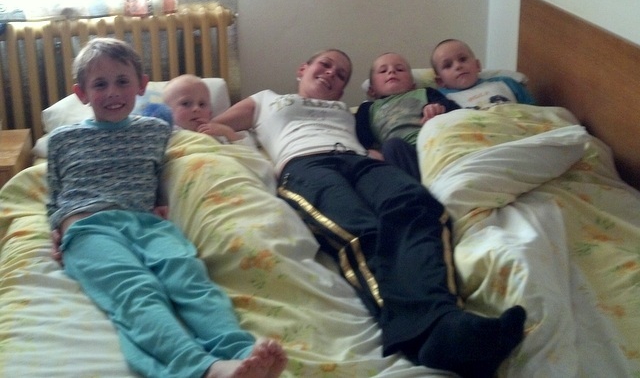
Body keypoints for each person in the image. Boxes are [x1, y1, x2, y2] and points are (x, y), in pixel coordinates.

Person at [199, 49, 527, 378]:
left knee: (417, 205)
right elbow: (215, 125)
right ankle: (431, 334)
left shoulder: (350, 112)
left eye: (341, 74)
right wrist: (231, 136)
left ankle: (445, 322)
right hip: (306, 166)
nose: (331, 73)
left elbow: (383, 131)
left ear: (342, 91)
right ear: (303, 68)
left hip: (361, 161)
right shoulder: (266, 100)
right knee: (360, 231)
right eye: (325, 65)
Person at [47, 37, 287, 378]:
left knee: (188, 276)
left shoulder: (156, 130)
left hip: (146, 223)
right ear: (82, 93)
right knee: (136, 291)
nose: (113, 92)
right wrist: (56, 229)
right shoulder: (62, 139)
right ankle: (203, 368)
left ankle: (239, 352)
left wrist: (161, 200)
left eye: (122, 81)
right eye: (100, 84)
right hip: (88, 226)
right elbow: (55, 193)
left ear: (142, 86)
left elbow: (172, 162)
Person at [355, 52, 459, 180]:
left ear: (413, 85)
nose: (392, 71)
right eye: (383, 71)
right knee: (392, 146)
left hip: (434, 143)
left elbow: (455, 110)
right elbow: (360, 138)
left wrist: (438, 107)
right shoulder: (368, 108)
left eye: (400, 69)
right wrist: (369, 151)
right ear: (372, 91)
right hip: (400, 153)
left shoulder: (426, 92)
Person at [430, 38, 535, 109]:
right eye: (448, 65)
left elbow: (534, 110)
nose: (458, 66)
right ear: (440, 81)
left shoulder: (506, 83)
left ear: (478, 65)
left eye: (462, 59)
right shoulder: (439, 98)